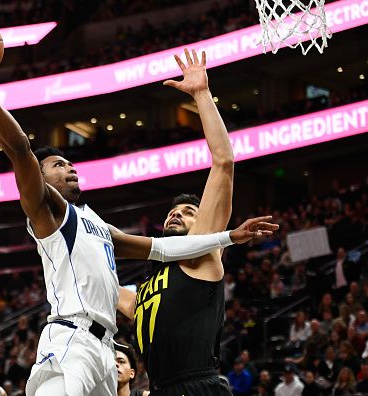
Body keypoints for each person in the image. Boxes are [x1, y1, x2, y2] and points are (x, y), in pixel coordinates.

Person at [0, 45, 278, 396]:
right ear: (40, 181)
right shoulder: (49, 210)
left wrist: (226, 237)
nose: (69, 166)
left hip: (111, 352)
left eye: (69, 162)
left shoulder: (102, 228)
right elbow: (19, 151)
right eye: (57, 165)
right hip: (73, 340)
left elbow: (164, 248)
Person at [115, 49, 277, 395]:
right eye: (174, 212)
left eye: (189, 212)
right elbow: (112, 291)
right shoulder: (146, 291)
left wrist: (201, 94)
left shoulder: (201, 255)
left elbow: (223, 162)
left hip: (198, 386)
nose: (177, 214)